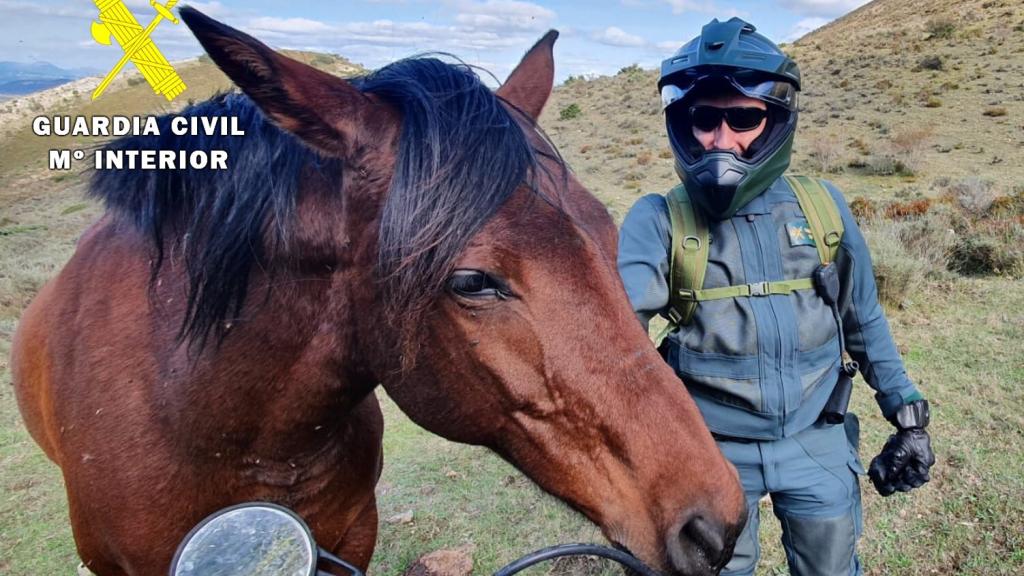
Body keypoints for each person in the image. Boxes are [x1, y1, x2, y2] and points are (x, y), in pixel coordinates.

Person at [616, 17, 935, 576]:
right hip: (710, 452)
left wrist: (907, 417)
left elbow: (863, 317)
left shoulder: (822, 207)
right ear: (682, 123)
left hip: (816, 438)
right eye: (704, 118)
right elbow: (615, 342)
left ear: (776, 121)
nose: (721, 139)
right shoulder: (658, 219)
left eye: (743, 117)